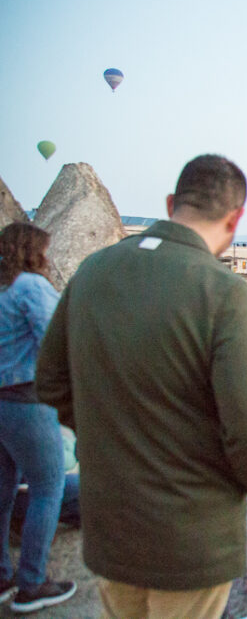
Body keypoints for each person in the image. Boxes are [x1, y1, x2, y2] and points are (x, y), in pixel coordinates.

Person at [36, 155, 247, 619]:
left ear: (171, 204)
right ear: (236, 219)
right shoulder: (222, 290)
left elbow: (50, 382)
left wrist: (104, 436)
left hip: (111, 528)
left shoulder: (92, 271)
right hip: (190, 537)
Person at [0, 222, 77, 613]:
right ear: (34, 251)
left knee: (3, 491)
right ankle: (32, 583)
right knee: (48, 489)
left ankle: (2, 576)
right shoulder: (31, 286)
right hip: (27, 400)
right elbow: (56, 340)